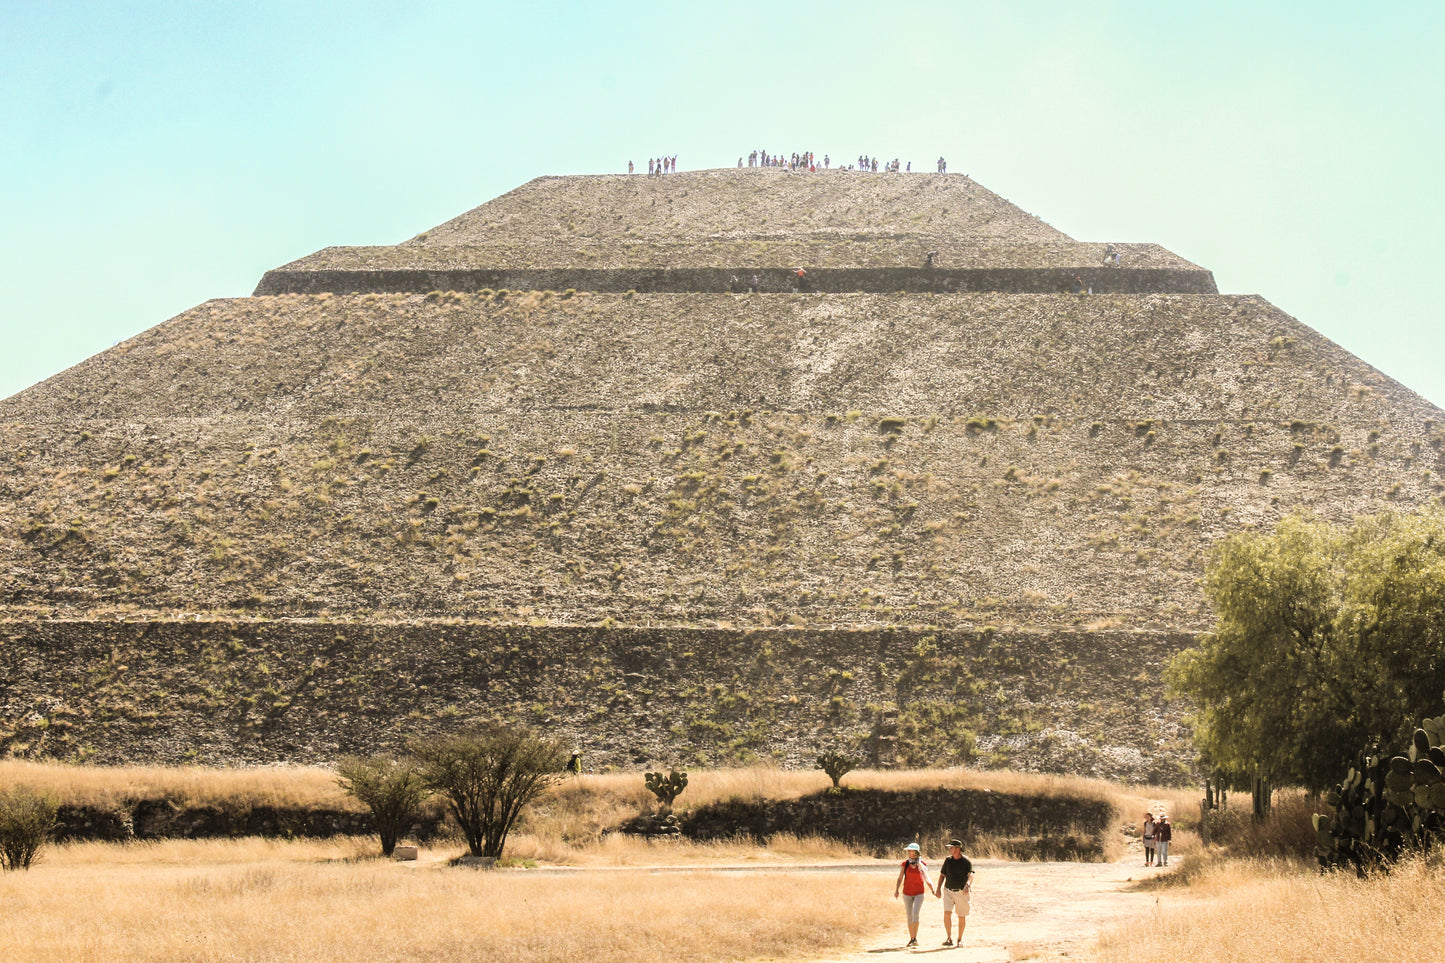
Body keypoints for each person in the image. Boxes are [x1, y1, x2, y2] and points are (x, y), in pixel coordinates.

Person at [894, 842, 935, 947]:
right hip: (907, 893)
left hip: (919, 893)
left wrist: (933, 890)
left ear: (915, 852)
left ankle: (915, 938)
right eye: (908, 850)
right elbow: (900, 878)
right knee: (909, 916)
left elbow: (926, 878)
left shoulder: (922, 864)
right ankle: (911, 938)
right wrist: (897, 890)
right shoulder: (905, 864)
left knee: (915, 914)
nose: (908, 852)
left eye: (910, 850)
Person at [935, 839, 973, 947]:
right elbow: (942, 875)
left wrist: (968, 885)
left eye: (952, 847)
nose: (950, 849)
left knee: (961, 916)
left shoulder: (966, 861)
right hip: (948, 891)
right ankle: (948, 938)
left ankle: (959, 939)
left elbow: (971, 875)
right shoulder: (948, 860)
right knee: (947, 913)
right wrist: (938, 889)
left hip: (961, 892)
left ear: (958, 849)